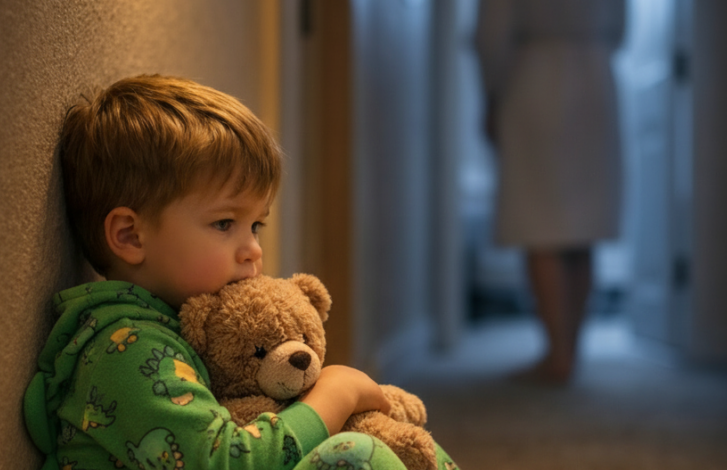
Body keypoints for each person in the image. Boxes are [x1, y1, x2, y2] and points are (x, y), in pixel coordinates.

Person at [23, 75, 457, 470]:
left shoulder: (179, 330)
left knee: (394, 439)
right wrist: (335, 393)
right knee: (356, 456)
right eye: (224, 223)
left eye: (256, 225)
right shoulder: (125, 349)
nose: (252, 249)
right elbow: (227, 463)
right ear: (130, 236)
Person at [475, 0, 626, 383]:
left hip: (534, 80)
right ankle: (570, 350)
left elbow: (492, 34)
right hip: (595, 76)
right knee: (582, 226)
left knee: (540, 220)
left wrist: (491, 95)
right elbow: (621, 27)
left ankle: (558, 354)